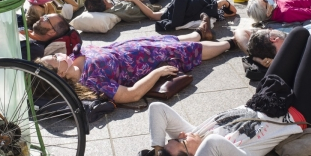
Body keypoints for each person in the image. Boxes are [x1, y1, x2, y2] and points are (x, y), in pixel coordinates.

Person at [145, 26, 311, 156]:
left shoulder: (194, 135)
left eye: (176, 137)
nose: (182, 134)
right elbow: (213, 144)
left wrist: (158, 150)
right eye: (181, 141)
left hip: (266, 96)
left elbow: (157, 108)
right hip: (295, 112)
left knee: (299, 34)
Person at [37, 28, 232, 104]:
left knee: (169, 40)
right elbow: (131, 95)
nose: (60, 54)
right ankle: (230, 44)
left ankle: (200, 31)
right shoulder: (91, 80)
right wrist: (157, 73)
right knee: (189, 50)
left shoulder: (73, 58)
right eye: (56, 58)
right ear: (60, 74)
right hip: (146, 60)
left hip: (135, 47)